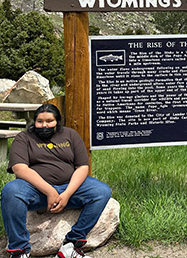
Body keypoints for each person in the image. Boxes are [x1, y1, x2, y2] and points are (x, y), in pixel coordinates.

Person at [1, 104, 111, 258]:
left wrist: (66, 194)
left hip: (69, 187)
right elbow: (20, 168)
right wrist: (50, 191)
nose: (44, 125)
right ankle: (19, 250)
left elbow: (82, 167)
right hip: (35, 190)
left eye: (49, 121)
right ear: (35, 122)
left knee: (101, 191)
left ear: (57, 122)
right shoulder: (24, 138)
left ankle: (71, 245)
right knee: (11, 191)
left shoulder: (70, 135)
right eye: (40, 121)